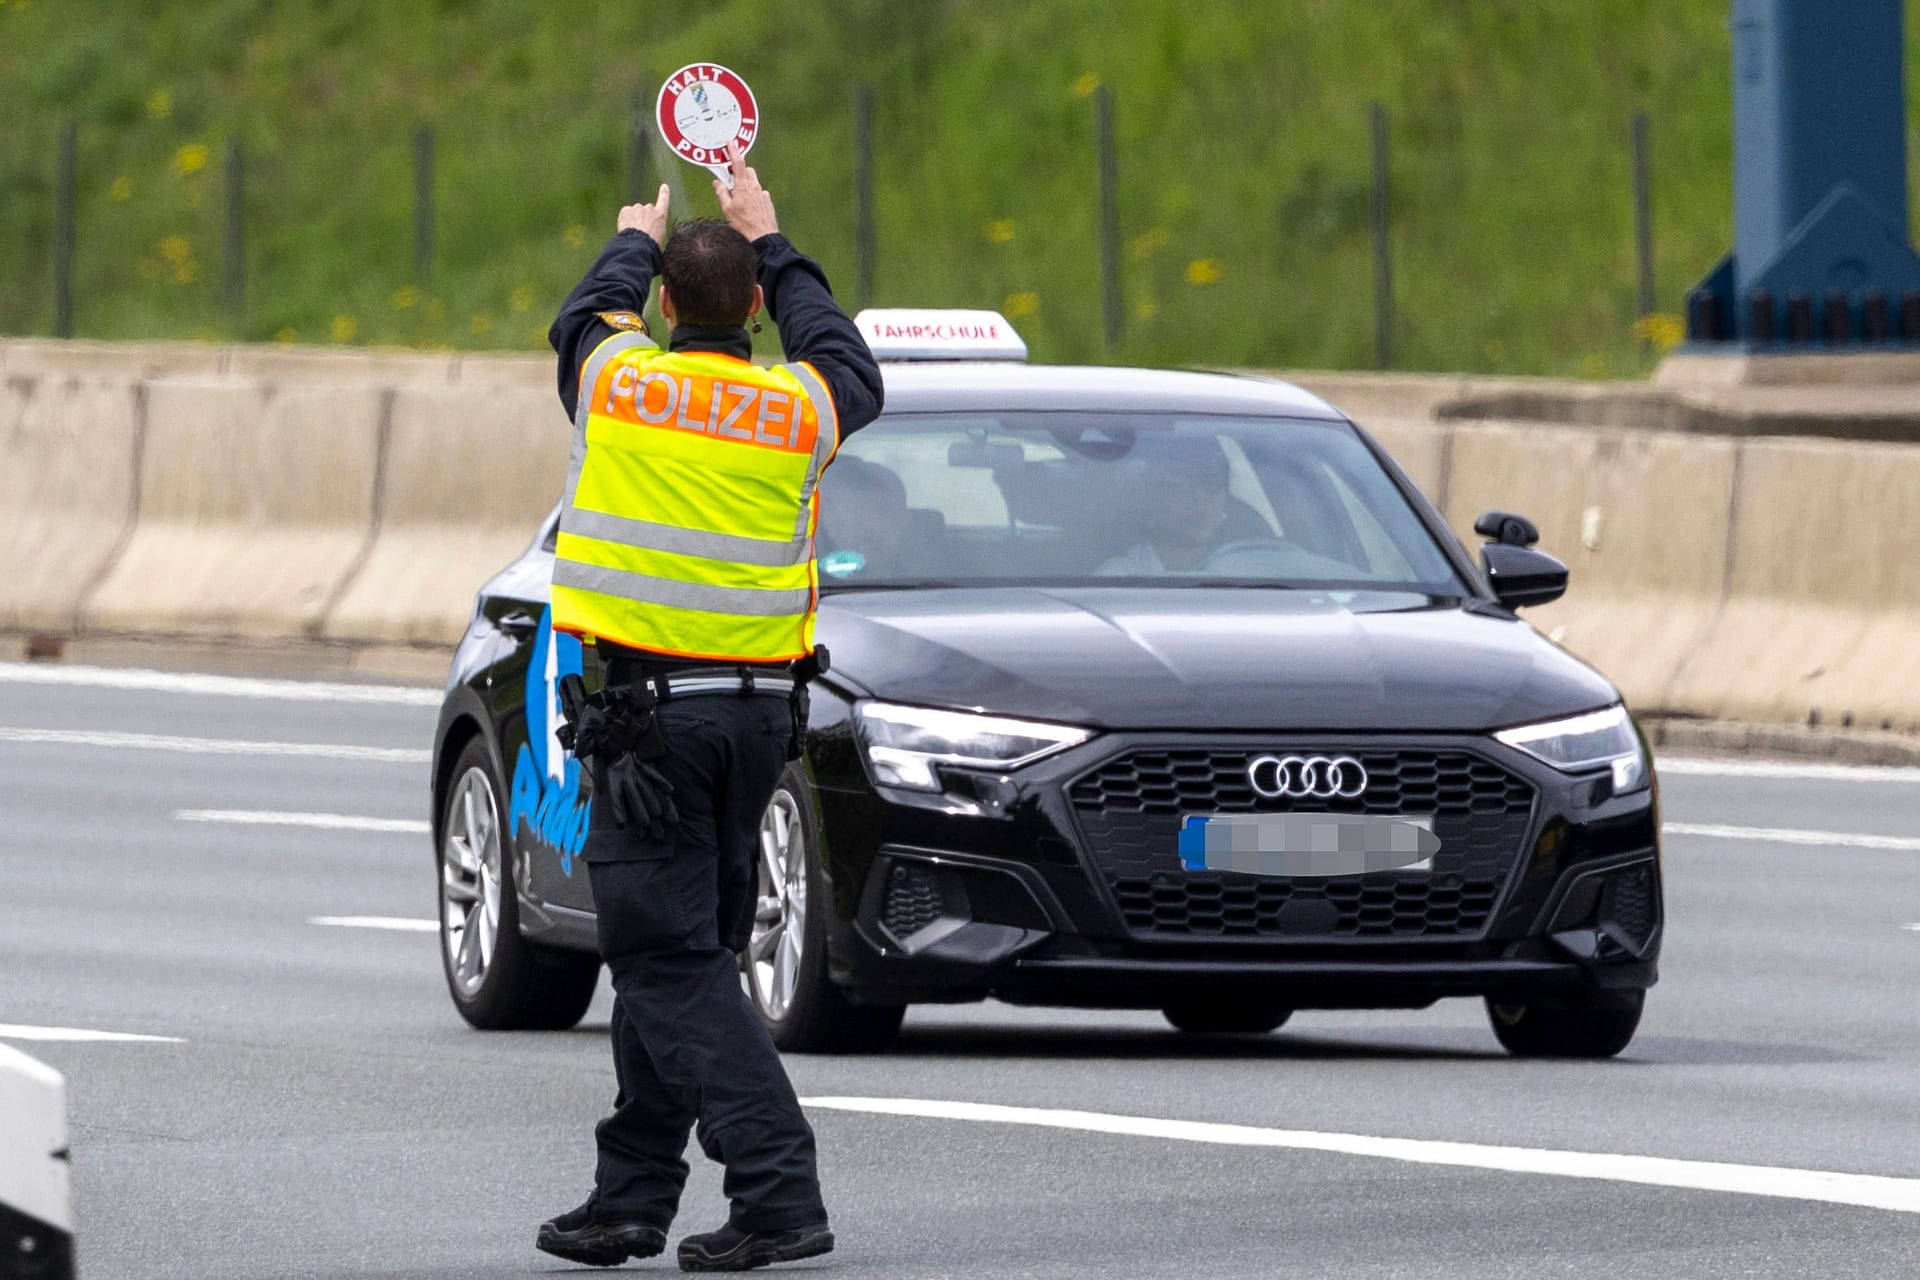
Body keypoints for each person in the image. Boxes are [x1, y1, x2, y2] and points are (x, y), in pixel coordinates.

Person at [536, 143, 883, 1273]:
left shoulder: (622, 383)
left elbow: (584, 315)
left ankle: (779, 1191)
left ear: (668, 303)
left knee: (666, 961)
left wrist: (637, 235)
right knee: (688, 955)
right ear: (754, 310)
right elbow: (848, 358)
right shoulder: (798, 404)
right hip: (754, 728)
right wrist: (771, 233)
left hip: (650, 729)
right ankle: (631, 1194)